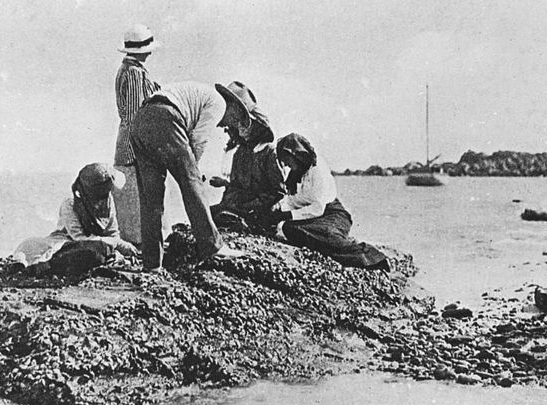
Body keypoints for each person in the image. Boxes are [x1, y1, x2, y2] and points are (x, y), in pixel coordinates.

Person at [130, 81, 247, 270]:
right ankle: (213, 246)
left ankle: (152, 263)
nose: (227, 125)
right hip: (165, 118)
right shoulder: (219, 103)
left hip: (140, 121)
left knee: (150, 200)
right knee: (192, 183)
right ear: (233, 107)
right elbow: (198, 139)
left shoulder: (200, 96)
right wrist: (195, 170)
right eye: (236, 119)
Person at [266, 134, 389, 270]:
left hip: (333, 214)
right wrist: (278, 208)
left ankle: (371, 256)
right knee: (290, 229)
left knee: (327, 236)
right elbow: (298, 199)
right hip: (313, 215)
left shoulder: (318, 170)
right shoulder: (298, 172)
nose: (287, 165)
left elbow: (318, 207)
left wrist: (286, 215)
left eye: (287, 161)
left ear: (296, 155)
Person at [10, 163, 138, 276]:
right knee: (31, 246)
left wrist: (117, 245)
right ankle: (39, 267)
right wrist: (117, 244)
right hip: (68, 243)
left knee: (97, 253)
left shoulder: (108, 202)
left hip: (101, 245)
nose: (105, 196)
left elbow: (113, 232)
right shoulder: (70, 204)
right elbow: (79, 238)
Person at [209, 81, 285, 228]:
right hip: (239, 206)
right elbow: (235, 187)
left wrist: (249, 205)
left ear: (257, 128)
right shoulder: (240, 153)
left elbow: (278, 193)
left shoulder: (269, 152)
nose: (240, 129)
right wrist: (227, 191)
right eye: (238, 125)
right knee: (209, 213)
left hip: (260, 210)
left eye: (245, 125)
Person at [113, 24, 161, 247]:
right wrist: (141, 148)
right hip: (134, 144)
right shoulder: (132, 73)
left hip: (135, 141)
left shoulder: (134, 70)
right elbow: (133, 114)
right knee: (134, 197)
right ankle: (139, 245)